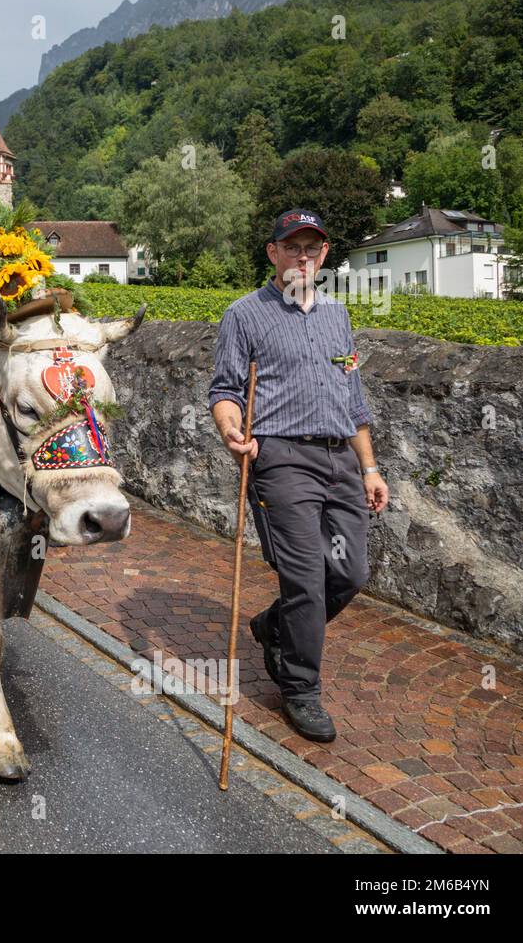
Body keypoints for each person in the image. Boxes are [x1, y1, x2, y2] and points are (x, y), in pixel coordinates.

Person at [208, 209, 390, 743]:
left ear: (325, 255)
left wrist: (370, 468)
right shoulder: (244, 315)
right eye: (292, 247)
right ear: (273, 253)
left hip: (341, 461)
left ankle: (275, 628)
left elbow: (353, 399)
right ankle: (300, 687)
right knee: (306, 579)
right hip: (282, 461)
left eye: (312, 248)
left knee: (350, 574)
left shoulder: (338, 316)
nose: (303, 257)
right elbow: (224, 389)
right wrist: (231, 431)